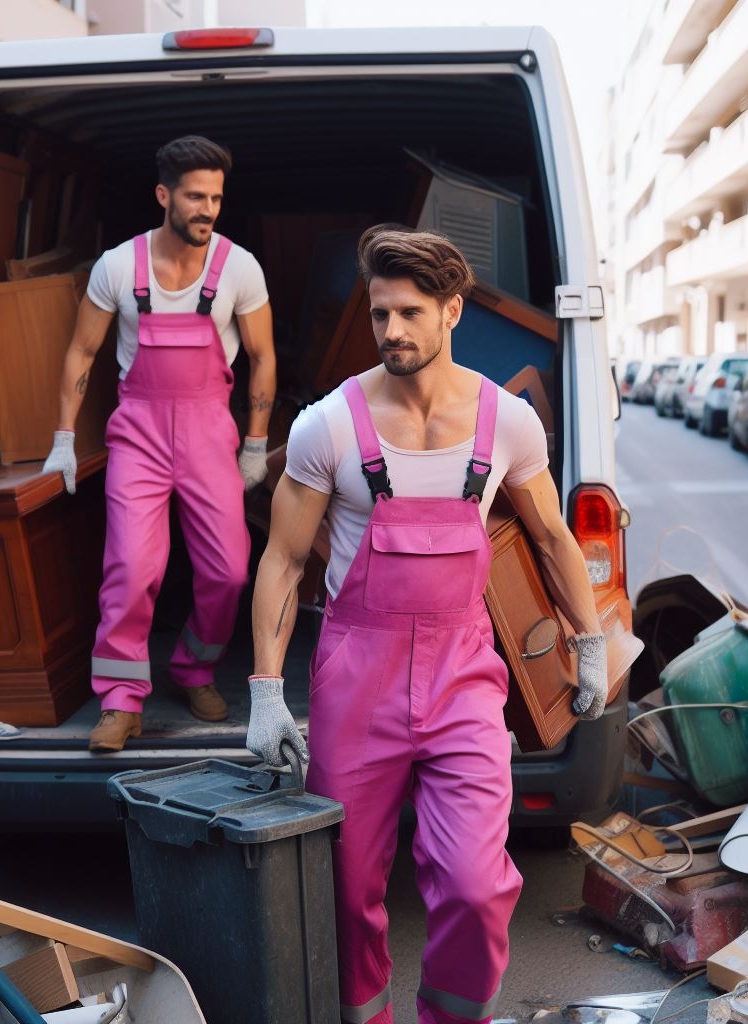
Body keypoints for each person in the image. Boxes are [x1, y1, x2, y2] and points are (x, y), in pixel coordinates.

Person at [246, 226, 607, 1024]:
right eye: (379, 315)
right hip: (356, 679)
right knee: (342, 890)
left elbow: (551, 537)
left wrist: (589, 645)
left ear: (452, 310)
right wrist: (265, 694)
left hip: (463, 678)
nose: (392, 332)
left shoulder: (506, 423)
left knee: (478, 889)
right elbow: (280, 562)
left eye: (410, 313)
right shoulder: (327, 427)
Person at [43, 135, 276, 753]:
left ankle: (193, 667)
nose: (208, 209)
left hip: (208, 433)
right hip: (139, 435)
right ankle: (121, 701)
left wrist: (256, 442)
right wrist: (63, 438)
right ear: (163, 195)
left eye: (217, 198)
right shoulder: (119, 267)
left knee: (228, 572)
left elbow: (262, 355)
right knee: (130, 568)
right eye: (196, 196)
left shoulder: (239, 268)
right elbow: (81, 352)